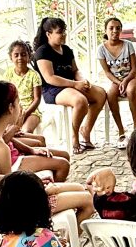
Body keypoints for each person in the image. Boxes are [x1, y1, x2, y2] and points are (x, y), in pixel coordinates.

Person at [0, 81, 71, 180]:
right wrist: (38, 183)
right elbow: (8, 186)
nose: (21, 107)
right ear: (10, 108)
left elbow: (9, 140)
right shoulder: (1, 148)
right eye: (18, 102)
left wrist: (31, 150)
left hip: (13, 158)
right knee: (63, 164)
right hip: (13, 166)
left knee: (65, 155)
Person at [33, 16, 107, 154]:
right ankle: (74, 136)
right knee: (80, 101)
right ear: (48, 34)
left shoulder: (66, 49)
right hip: (53, 89)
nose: (63, 35)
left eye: (64, 31)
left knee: (101, 94)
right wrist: (75, 84)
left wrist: (82, 80)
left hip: (72, 85)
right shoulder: (42, 51)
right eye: (59, 32)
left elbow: (75, 70)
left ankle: (86, 130)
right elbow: (50, 78)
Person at [98, 17, 136, 148]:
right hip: (116, 80)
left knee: (130, 91)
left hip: (132, 77)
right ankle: (121, 131)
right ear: (105, 30)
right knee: (110, 94)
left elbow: (134, 69)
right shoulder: (101, 49)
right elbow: (107, 72)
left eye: (118, 28)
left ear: (121, 30)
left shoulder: (128, 45)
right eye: (111, 28)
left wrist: (126, 81)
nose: (115, 31)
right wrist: (118, 82)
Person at [5, 39, 44, 135]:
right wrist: (14, 113)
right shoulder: (8, 74)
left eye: (23, 54)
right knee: (8, 131)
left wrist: (24, 114)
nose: (20, 58)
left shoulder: (34, 75)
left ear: (29, 56)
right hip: (13, 111)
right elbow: (6, 96)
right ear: (11, 57)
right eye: (16, 55)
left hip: (31, 112)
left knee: (25, 132)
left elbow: (37, 99)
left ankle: (34, 145)